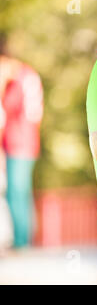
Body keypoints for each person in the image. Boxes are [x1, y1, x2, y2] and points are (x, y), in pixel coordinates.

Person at [0, 35, 43, 248]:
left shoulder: (25, 78)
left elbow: (31, 112)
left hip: (23, 143)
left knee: (17, 191)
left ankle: (22, 242)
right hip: (12, 143)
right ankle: (22, 240)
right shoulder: (13, 82)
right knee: (17, 192)